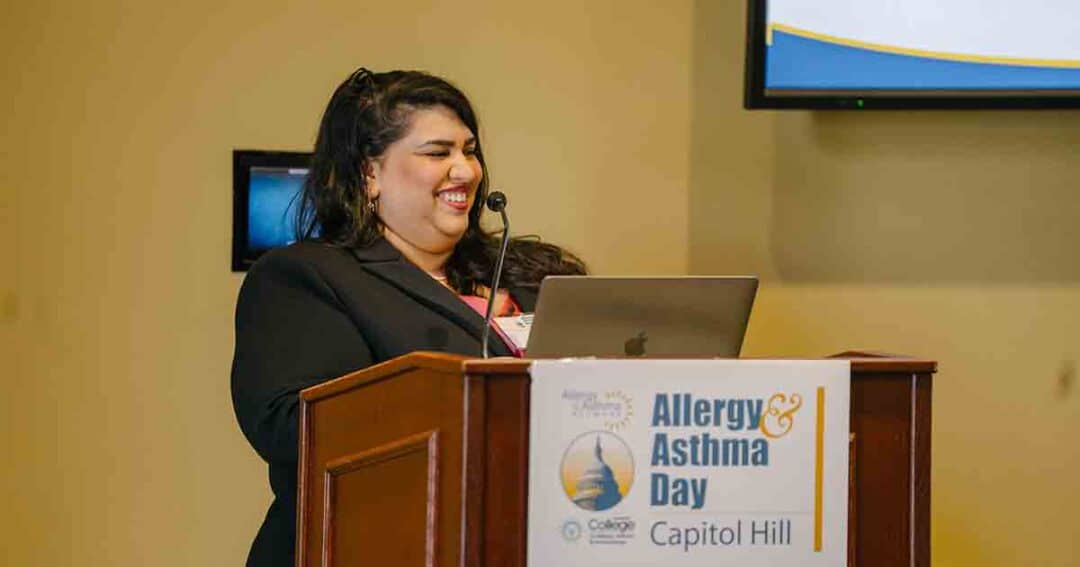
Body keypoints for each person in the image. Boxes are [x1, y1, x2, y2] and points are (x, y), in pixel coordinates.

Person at [230, 68, 586, 566]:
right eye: (438, 153)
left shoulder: (540, 276)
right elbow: (295, 428)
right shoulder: (306, 277)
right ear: (368, 173)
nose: (465, 170)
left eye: (470, 150)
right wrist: (463, 403)